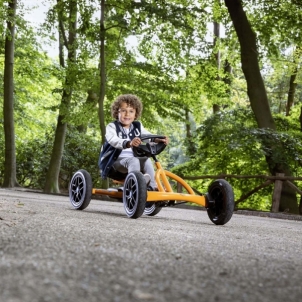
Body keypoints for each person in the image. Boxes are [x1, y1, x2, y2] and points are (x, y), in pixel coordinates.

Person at [98, 94, 168, 189]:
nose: (127, 114)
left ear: (136, 114)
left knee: (146, 160)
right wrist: (129, 143)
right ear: (116, 112)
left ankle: (151, 187)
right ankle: (133, 185)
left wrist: (157, 139)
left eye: (131, 111)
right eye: (123, 111)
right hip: (114, 163)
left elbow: (146, 135)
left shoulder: (137, 126)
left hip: (132, 164)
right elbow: (114, 140)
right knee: (134, 160)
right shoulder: (112, 127)